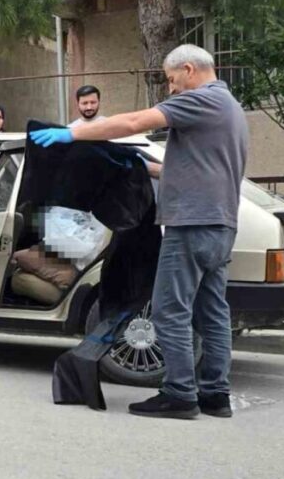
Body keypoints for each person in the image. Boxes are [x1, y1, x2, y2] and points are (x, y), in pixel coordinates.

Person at [31, 44, 248, 420]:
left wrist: (75, 136)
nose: (171, 88)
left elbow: (134, 123)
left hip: (191, 224)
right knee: (211, 312)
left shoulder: (200, 101)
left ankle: (180, 394)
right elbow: (194, 169)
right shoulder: (230, 109)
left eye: (171, 79)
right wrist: (137, 164)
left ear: (190, 69)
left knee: (168, 311)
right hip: (221, 224)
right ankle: (215, 394)